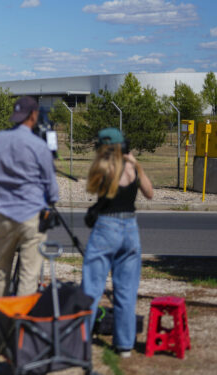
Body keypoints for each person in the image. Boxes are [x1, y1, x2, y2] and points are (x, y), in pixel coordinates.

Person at [82, 128, 153, 358]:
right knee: (126, 290)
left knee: (92, 287)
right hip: (130, 229)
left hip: (106, 228)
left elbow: (92, 187)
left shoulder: (103, 168)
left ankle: (81, 340)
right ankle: (124, 345)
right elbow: (149, 192)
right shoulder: (133, 167)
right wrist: (135, 163)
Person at [0, 96, 59, 297]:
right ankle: (21, 320)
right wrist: (52, 200)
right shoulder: (37, 145)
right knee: (28, 274)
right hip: (31, 215)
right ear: (33, 115)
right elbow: (50, 183)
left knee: (2, 271)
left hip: (4, 214)